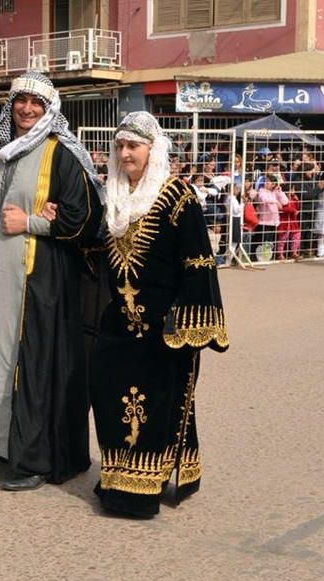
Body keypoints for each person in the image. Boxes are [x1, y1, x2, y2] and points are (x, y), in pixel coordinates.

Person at [0, 71, 103, 491]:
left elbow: (86, 218)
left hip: (37, 283)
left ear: (49, 109)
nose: (27, 109)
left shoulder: (62, 153)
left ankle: (35, 458)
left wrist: (33, 222)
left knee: (32, 363)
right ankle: (1, 442)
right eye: (20, 101)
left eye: (36, 103)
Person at [89, 111, 227, 518]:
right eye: (120, 146)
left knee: (158, 407)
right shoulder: (112, 199)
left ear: (153, 149)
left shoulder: (178, 197)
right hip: (119, 325)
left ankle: (138, 492)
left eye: (133, 145)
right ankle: (116, 477)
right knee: (111, 400)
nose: (125, 153)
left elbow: (199, 263)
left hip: (164, 329)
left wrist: (188, 325)